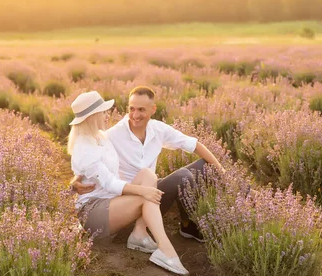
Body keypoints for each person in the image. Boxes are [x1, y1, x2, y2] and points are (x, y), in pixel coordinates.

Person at [71, 86, 225, 242]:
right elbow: (91, 162)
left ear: (153, 109)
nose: (135, 115)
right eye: (132, 109)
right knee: (183, 176)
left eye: (141, 110)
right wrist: (75, 180)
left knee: (205, 166)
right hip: (127, 200)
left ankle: (187, 225)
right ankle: (140, 228)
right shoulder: (112, 135)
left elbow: (194, 145)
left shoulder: (158, 129)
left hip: (150, 190)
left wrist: (225, 174)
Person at [68, 91, 189, 275]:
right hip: (93, 213)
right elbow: (108, 182)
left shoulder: (100, 137)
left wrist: (76, 178)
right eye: (101, 112)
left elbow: (86, 172)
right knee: (145, 196)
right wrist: (142, 192)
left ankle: (139, 235)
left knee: (148, 175)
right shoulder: (84, 147)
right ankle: (166, 250)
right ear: (92, 117)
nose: (105, 115)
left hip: (111, 202)